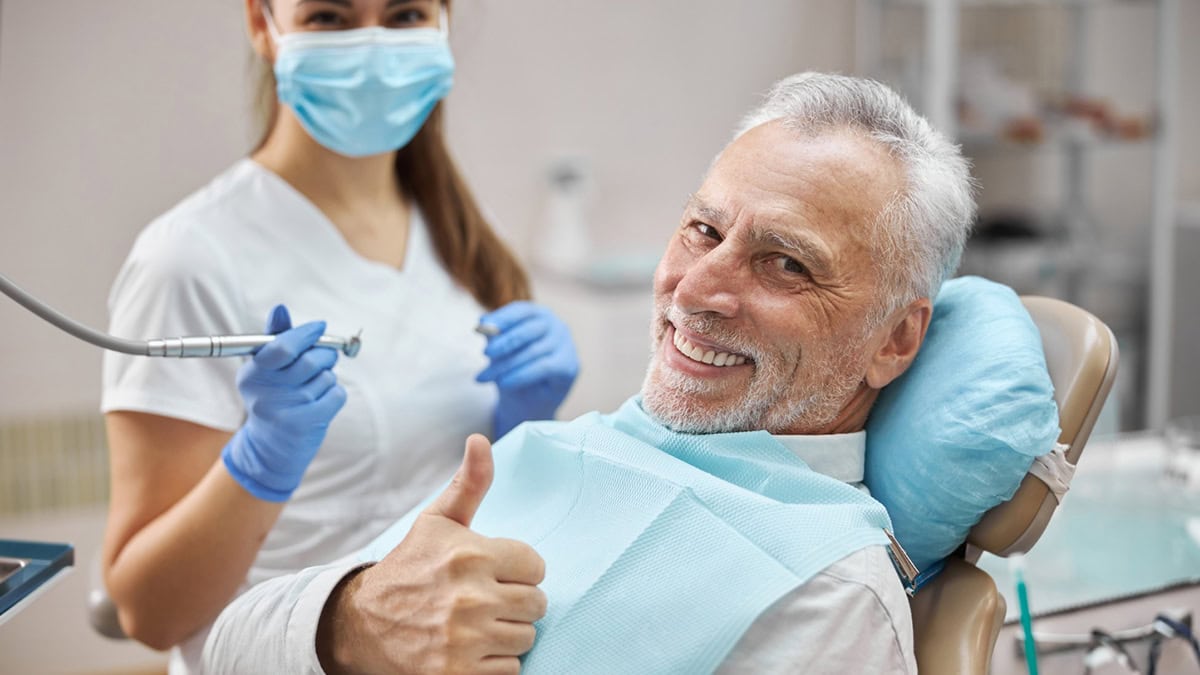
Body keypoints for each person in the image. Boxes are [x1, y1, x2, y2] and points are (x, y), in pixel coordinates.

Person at [198, 71, 976, 674]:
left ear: (894, 339)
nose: (693, 291)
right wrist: (353, 621)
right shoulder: (550, 449)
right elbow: (227, 646)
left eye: (786, 263)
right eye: (704, 230)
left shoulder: (826, 589)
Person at [99, 1, 579, 672]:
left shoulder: (465, 234)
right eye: (329, 16)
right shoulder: (187, 258)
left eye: (404, 14)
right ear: (263, 25)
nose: (372, 48)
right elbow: (148, 612)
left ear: (442, 21)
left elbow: (474, 501)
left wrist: (523, 427)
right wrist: (259, 464)